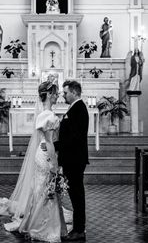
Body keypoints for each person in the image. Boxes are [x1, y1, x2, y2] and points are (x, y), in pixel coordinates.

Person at [0, 80, 69, 242]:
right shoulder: (46, 115)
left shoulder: (47, 113)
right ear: (48, 94)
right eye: (55, 93)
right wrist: (54, 163)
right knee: (44, 191)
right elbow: (48, 141)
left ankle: (45, 224)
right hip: (46, 154)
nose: (57, 96)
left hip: (45, 152)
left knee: (44, 190)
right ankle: (41, 227)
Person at [55, 80, 89, 241]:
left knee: (77, 196)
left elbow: (75, 137)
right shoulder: (75, 107)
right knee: (75, 195)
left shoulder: (79, 109)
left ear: (74, 92)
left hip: (74, 160)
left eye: (65, 92)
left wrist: (56, 145)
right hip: (72, 158)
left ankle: (79, 229)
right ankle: (78, 228)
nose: (63, 95)